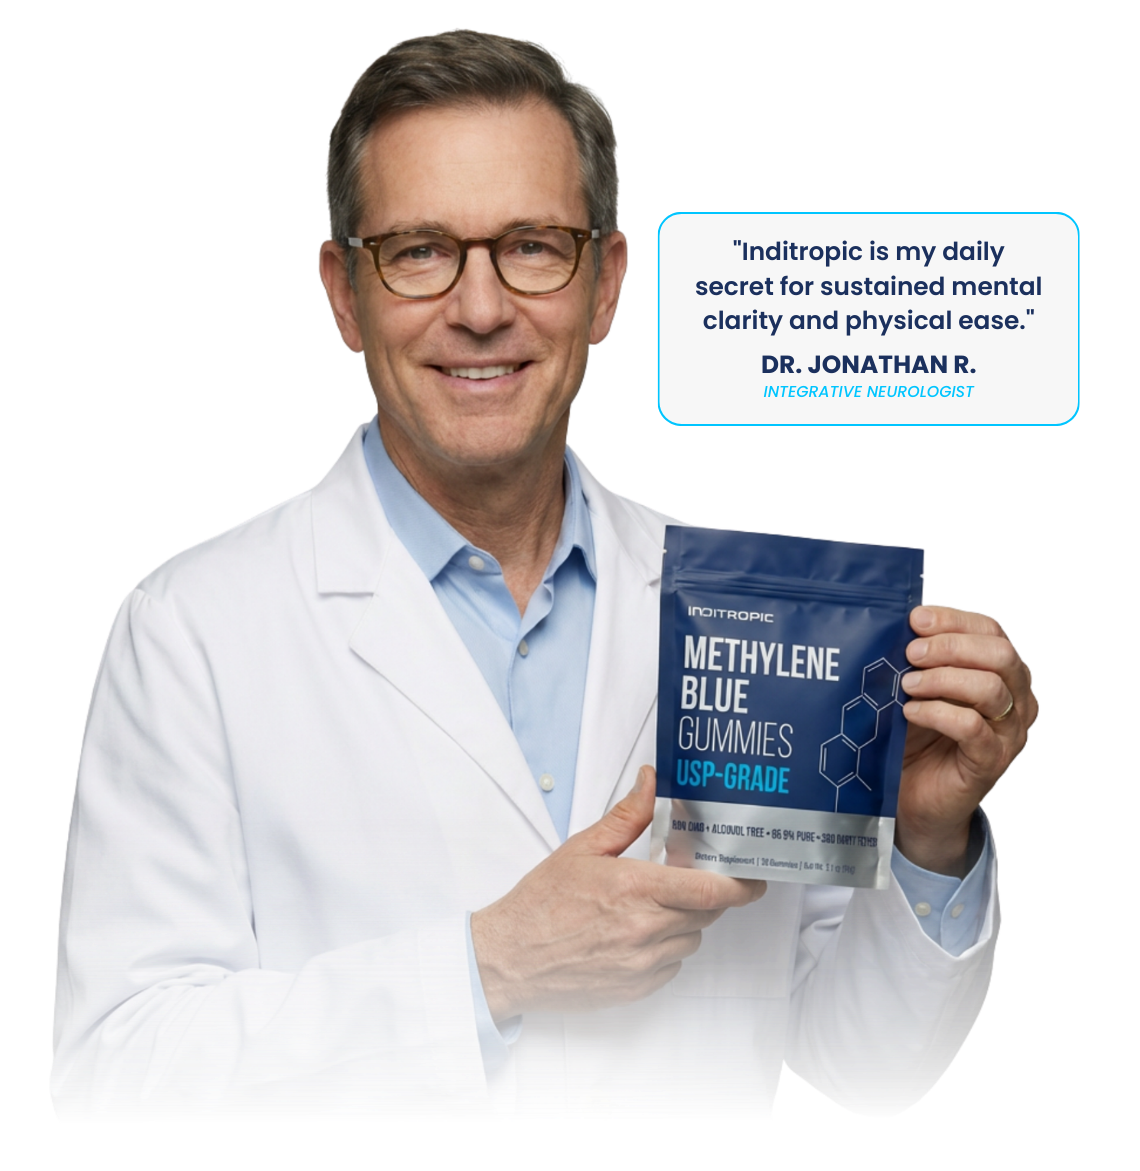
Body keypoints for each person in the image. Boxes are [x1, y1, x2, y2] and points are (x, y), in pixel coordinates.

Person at [50, 30, 1035, 1121]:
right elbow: (116, 1075)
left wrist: (929, 838)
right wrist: (487, 971)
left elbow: (863, 1067)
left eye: (533, 245)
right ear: (344, 293)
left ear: (607, 285)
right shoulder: (192, 626)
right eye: (420, 250)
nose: (480, 308)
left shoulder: (753, 618)